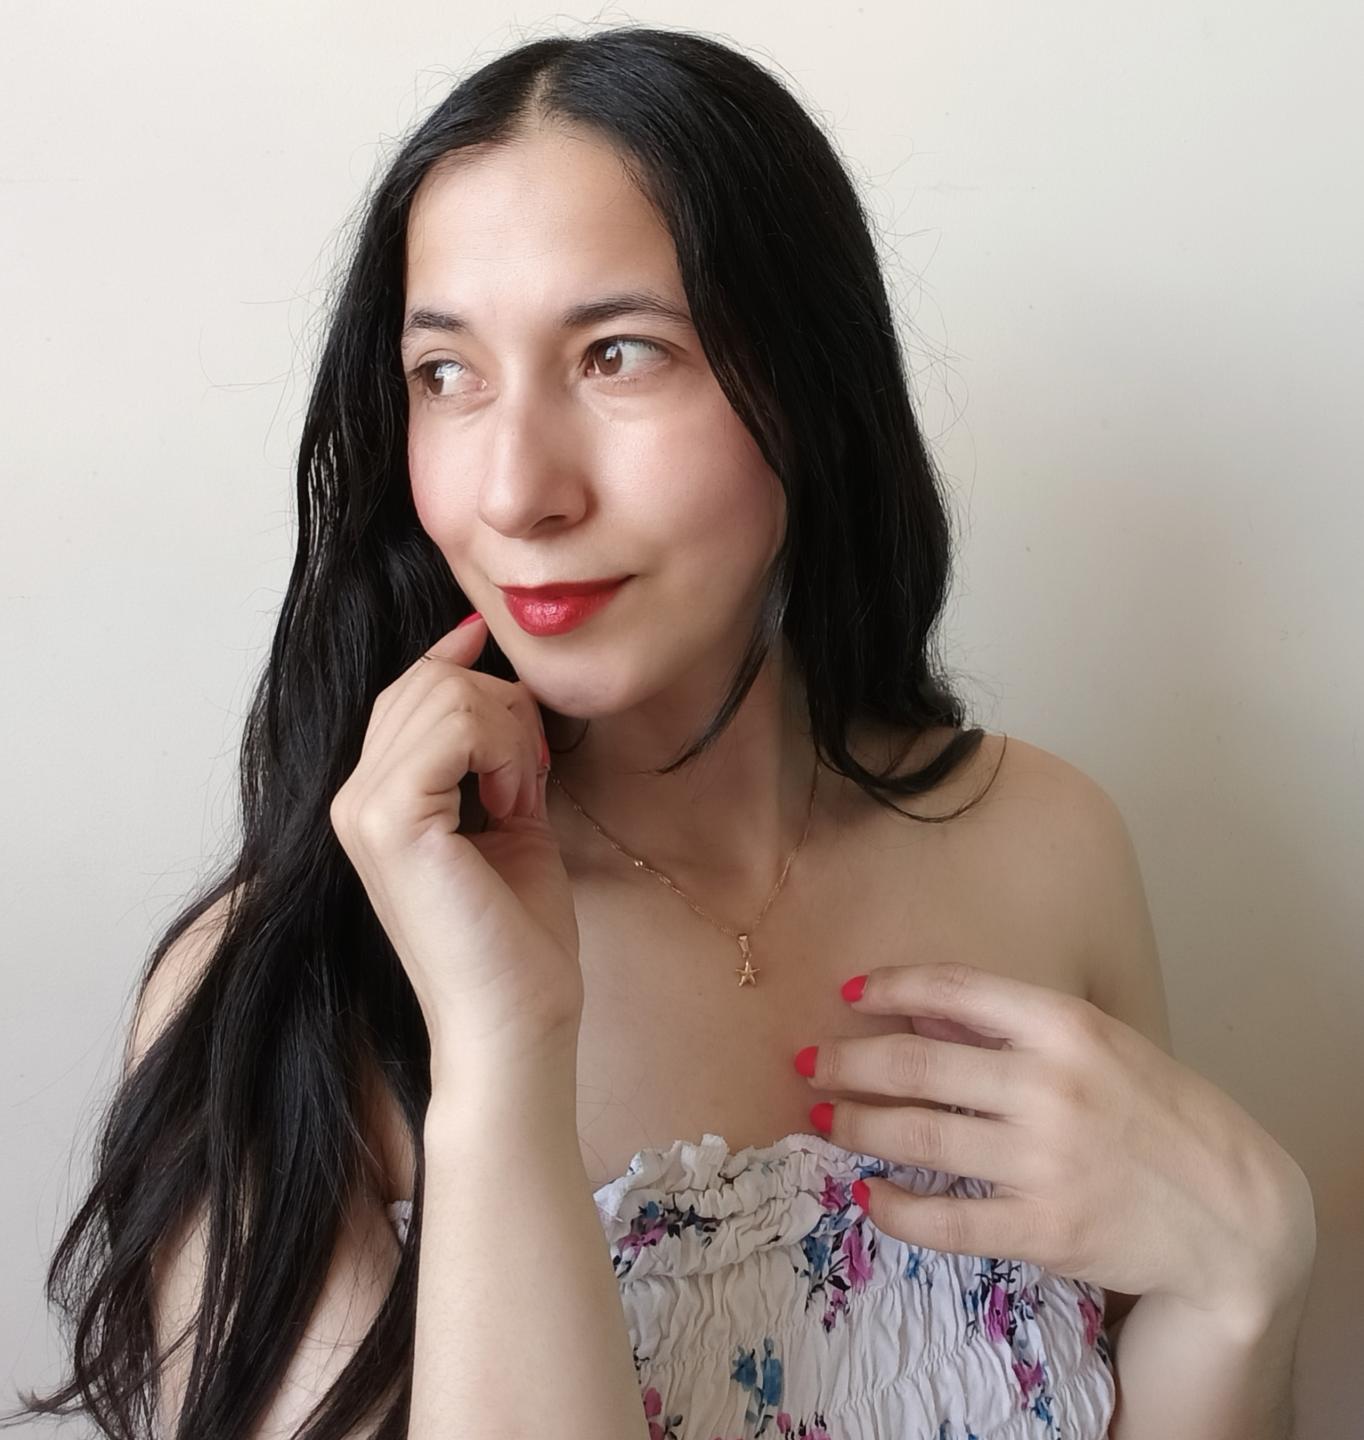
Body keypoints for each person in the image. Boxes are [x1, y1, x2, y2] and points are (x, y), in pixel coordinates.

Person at [8, 24, 1316, 1440]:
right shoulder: (285, 992)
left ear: (808, 389)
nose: (515, 491)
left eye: (617, 354)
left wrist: (1246, 1283)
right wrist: (503, 1059)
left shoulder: (1047, 847)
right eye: (445, 373)